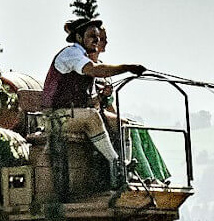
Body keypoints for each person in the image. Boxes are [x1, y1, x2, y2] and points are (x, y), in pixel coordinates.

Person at [41, 17, 147, 182]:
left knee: (122, 123)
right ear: (78, 37)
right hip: (55, 116)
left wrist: (101, 96)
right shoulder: (71, 53)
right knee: (92, 117)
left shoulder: (83, 57)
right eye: (92, 36)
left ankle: (125, 169)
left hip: (73, 114)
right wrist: (127, 68)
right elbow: (94, 70)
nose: (96, 41)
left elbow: (88, 102)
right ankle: (115, 163)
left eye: (98, 37)